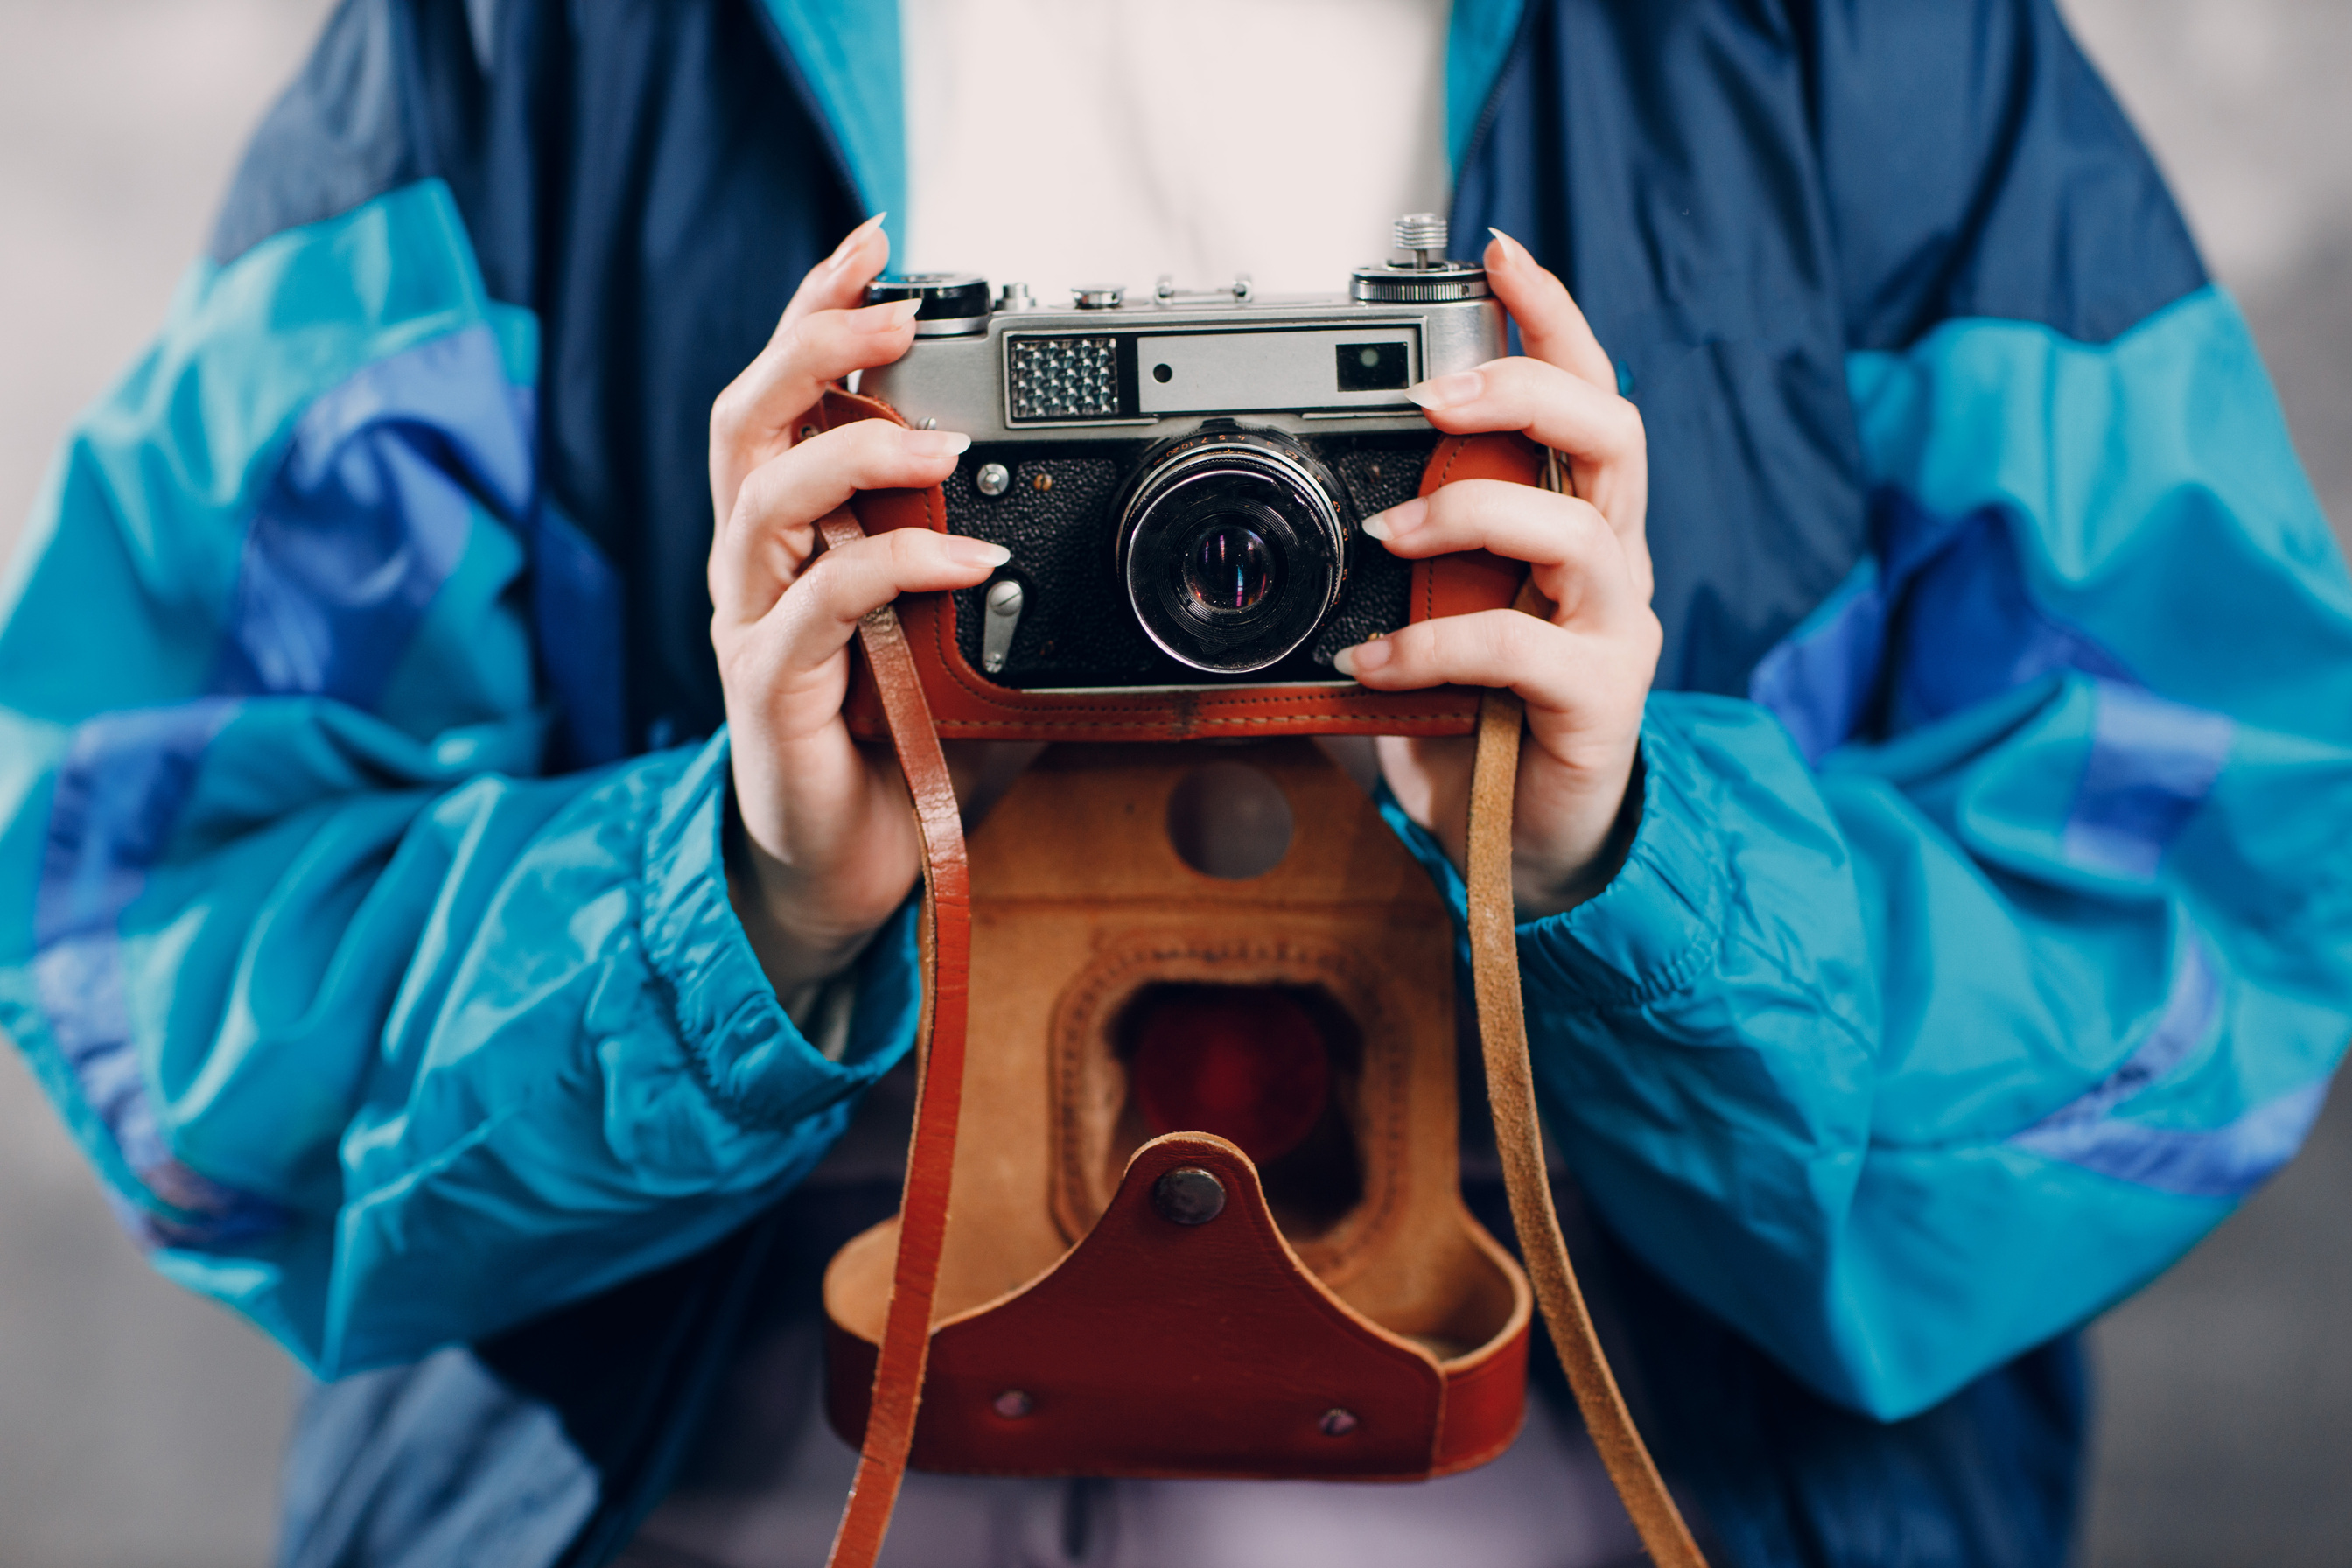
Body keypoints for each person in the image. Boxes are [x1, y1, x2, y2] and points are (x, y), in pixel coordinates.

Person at [4, 1, 2348, 1564]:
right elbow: (144, 935)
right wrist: (729, 885)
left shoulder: (1869, 48)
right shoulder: (519, 50)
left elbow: (2217, 916)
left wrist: (1629, 860)